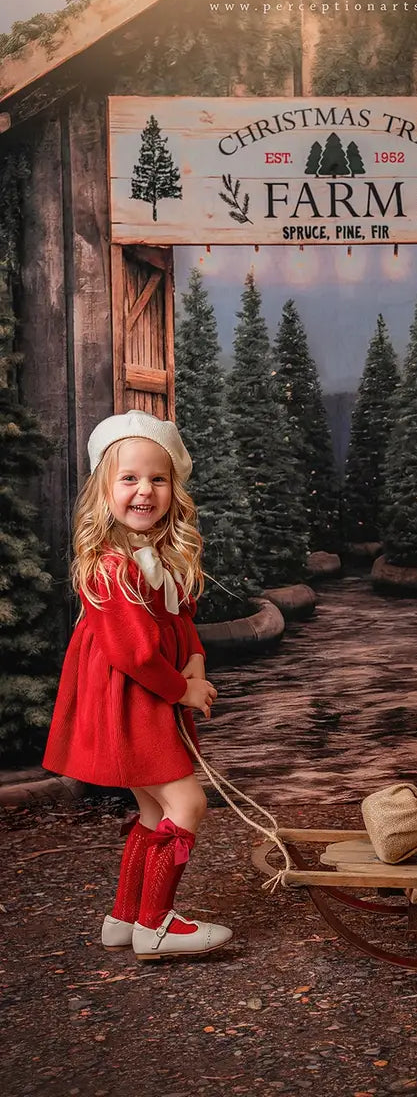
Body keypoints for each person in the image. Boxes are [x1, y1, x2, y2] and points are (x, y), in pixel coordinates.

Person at [43, 410, 233, 961]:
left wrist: (194, 658)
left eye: (158, 478)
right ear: (104, 488)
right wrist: (184, 691)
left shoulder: (157, 558)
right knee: (187, 802)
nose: (144, 491)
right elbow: (137, 654)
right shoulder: (111, 567)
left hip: (147, 696)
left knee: (154, 812)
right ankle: (157, 924)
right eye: (129, 478)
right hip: (133, 700)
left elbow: (179, 620)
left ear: (174, 487)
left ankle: (125, 918)